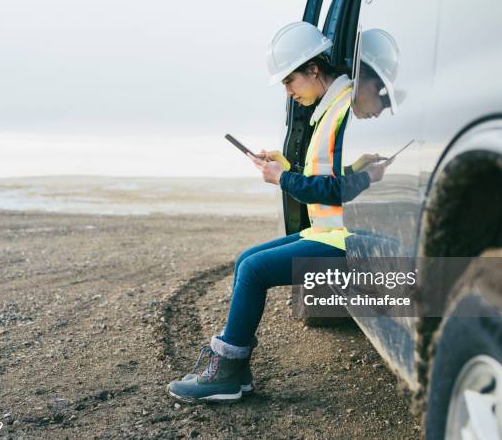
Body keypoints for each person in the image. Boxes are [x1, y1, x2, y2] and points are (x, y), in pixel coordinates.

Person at [167, 23, 403, 403]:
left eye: (290, 81)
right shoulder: (331, 109)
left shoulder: (344, 108)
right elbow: (334, 177)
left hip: (348, 237)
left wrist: (283, 178)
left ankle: (226, 370)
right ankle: (236, 373)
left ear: (314, 70)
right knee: (247, 259)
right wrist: (288, 165)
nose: (289, 93)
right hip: (329, 232)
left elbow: (337, 191)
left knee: (254, 270)